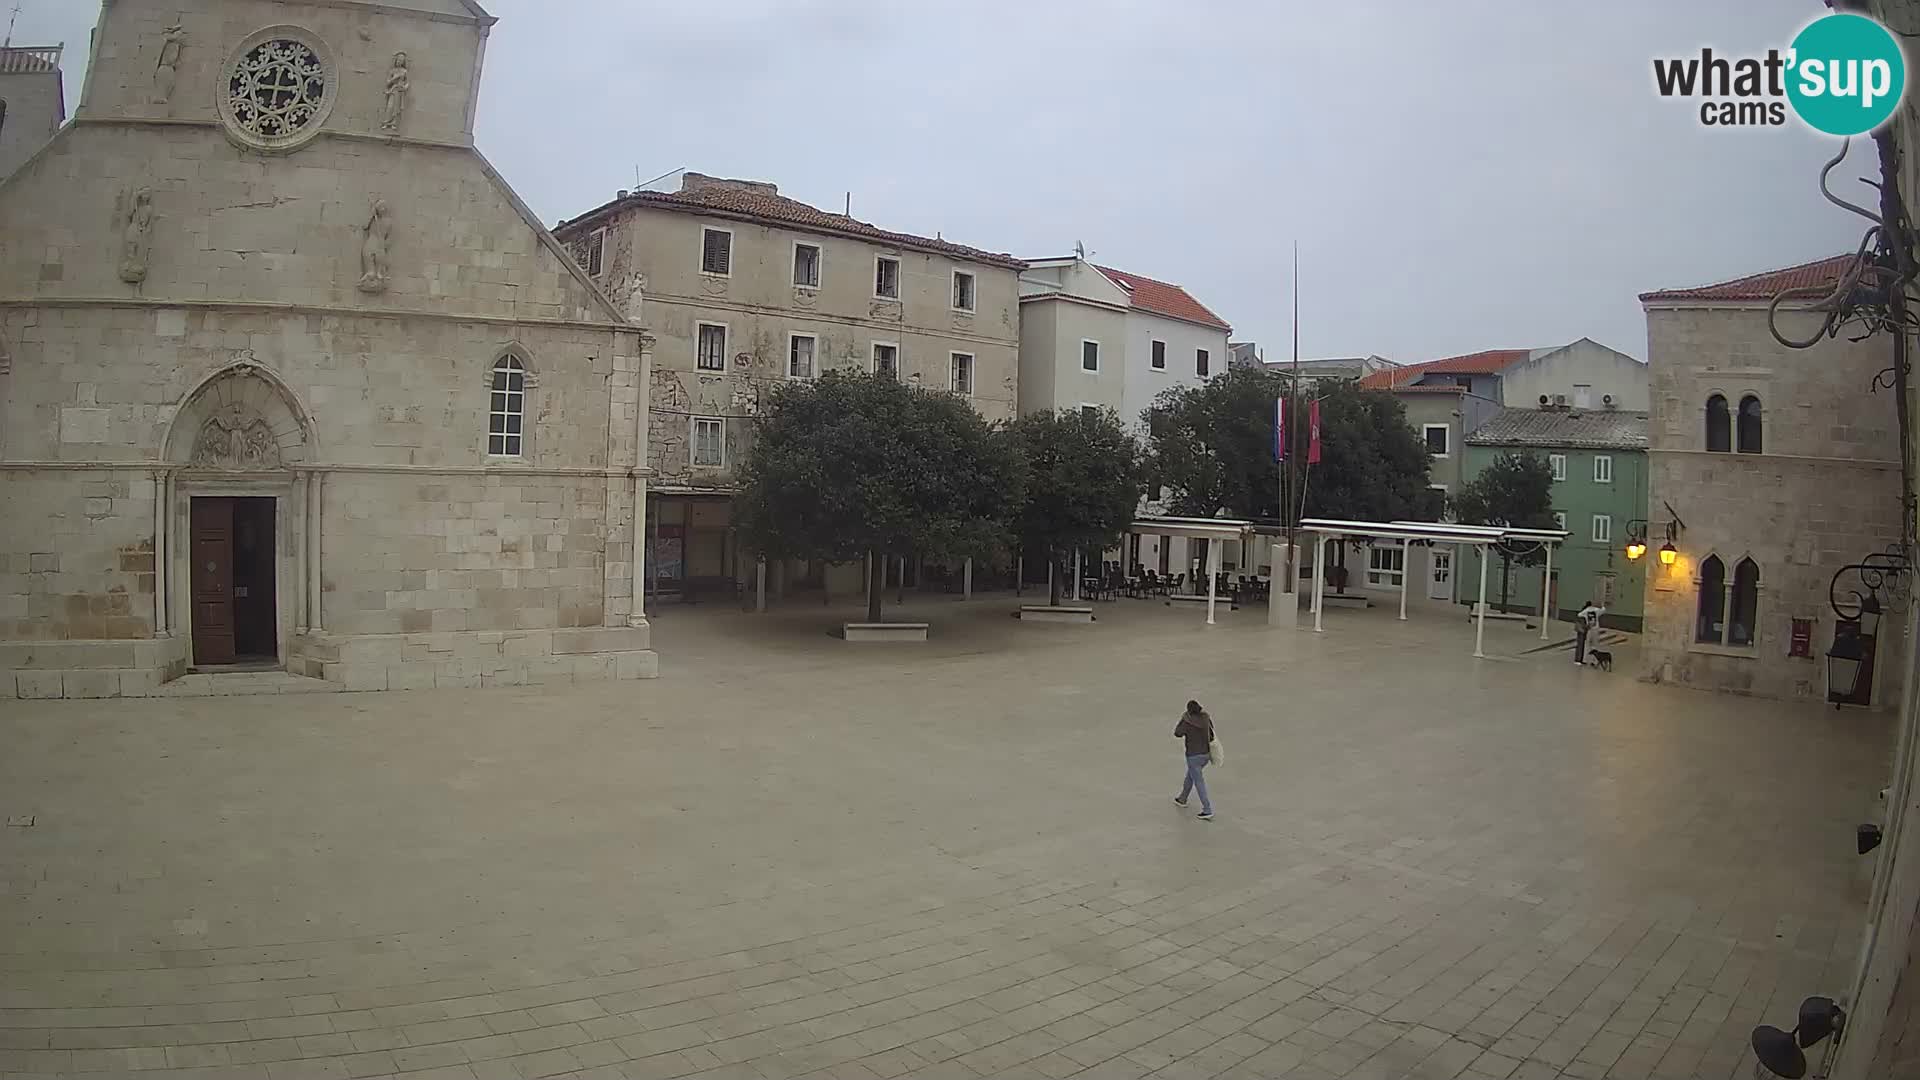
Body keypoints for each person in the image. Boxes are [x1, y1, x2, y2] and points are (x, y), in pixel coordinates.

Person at [1173, 700, 1216, 820]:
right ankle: (1182, 798)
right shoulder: (1206, 718)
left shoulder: (1187, 721)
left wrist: (1183, 719)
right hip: (1206, 754)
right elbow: (1211, 731)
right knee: (1191, 775)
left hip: (1193, 756)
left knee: (1199, 782)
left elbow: (1177, 733)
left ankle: (1207, 809)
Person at [1574, 600, 1604, 665]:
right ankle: (1594, 660)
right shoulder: (1596, 610)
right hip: (1596, 628)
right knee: (1595, 645)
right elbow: (1603, 609)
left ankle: (1585, 659)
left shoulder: (1586, 611)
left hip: (1589, 629)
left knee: (1587, 644)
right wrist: (1601, 604)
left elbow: (1579, 614)